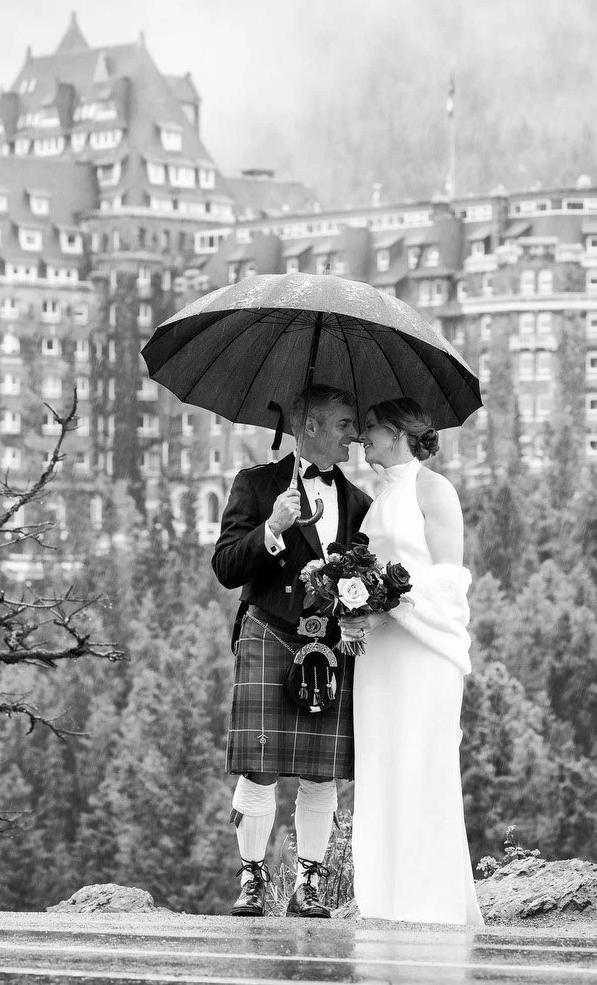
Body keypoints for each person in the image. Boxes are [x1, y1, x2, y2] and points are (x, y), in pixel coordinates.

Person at [211, 384, 372, 918]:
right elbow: (227, 567)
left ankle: (309, 884)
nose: (355, 434)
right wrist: (272, 527)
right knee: (258, 766)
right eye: (345, 423)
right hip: (270, 634)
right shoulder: (257, 487)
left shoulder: (359, 504)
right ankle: (253, 879)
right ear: (310, 427)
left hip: (329, 646)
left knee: (320, 773)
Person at [343, 396, 484, 925]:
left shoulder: (434, 488)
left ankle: (430, 904)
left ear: (400, 432)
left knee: (421, 766)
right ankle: (384, 899)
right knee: (381, 766)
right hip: (379, 658)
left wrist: (383, 610)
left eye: (373, 429)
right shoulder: (380, 495)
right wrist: (350, 603)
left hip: (425, 653)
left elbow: (449, 581)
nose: (364, 439)